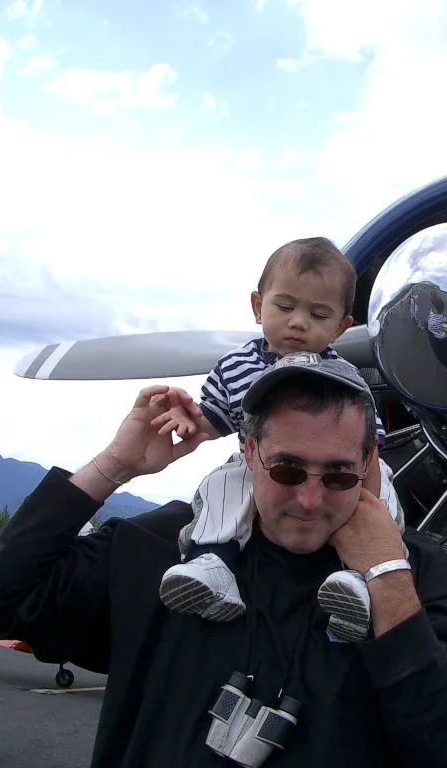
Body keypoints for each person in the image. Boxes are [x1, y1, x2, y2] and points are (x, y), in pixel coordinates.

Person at [0, 360, 447, 767]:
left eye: (340, 475)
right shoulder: (164, 546)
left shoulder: (412, 572)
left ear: (370, 463)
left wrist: (386, 575)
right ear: (249, 452)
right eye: (288, 470)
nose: (309, 499)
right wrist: (114, 466)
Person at [152, 237, 404, 643]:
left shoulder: (352, 380)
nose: (298, 322)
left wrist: (365, 503)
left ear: (342, 326)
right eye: (285, 307)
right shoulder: (234, 366)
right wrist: (183, 417)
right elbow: (211, 420)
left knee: (384, 485)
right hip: (264, 471)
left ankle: (359, 579)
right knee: (223, 480)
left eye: (318, 313)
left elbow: (367, 453)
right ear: (258, 306)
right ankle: (213, 562)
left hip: (340, 479)